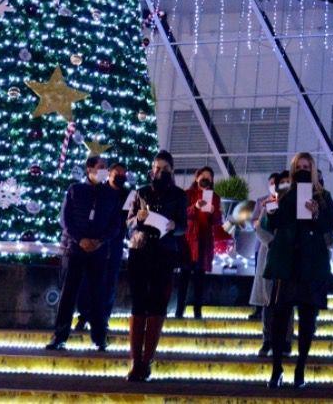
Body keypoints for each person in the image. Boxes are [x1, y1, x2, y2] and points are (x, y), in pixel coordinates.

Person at [263, 152, 333, 388]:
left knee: (308, 318)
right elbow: (273, 224)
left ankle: (300, 368)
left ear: (313, 170)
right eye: (299, 166)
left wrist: (316, 213)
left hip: (312, 261)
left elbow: (329, 225)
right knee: (279, 316)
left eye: (307, 166)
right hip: (287, 260)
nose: (303, 169)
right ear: (293, 169)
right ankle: (276, 368)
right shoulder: (284, 193)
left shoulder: (323, 196)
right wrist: (272, 209)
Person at [123, 150, 188, 382]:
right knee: (138, 302)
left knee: (158, 303)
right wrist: (138, 219)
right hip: (140, 250)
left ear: (171, 171)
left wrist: (172, 226)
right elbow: (128, 223)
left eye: (164, 169)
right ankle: (134, 360)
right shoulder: (139, 192)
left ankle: (147, 359)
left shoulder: (179, 196)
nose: (159, 172)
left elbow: (183, 226)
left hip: (164, 253)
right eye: (156, 168)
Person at [47, 155, 121, 351]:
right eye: (101, 167)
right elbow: (65, 219)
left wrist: (100, 240)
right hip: (75, 250)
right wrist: (80, 240)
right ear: (89, 169)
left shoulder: (111, 195)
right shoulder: (75, 190)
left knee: (99, 294)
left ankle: (99, 337)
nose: (104, 170)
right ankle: (60, 335)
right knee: (69, 293)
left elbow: (115, 225)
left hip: (99, 251)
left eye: (105, 167)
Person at [74, 161, 129, 335]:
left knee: (110, 280)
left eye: (123, 174)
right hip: (96, 240)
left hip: (115, 241)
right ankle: (84, 316)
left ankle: (102, 318)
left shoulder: (128, 195)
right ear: (110, 174)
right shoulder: (100, 191)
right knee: (88, 279)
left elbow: (128, 219)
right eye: (116, 173)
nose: (120, 176)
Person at [177, 166, 223, 320]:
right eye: (203, 176)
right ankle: (179, 310)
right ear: (196, 178)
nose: (206, 179)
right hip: (188, 240)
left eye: (209, 177)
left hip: (204, 241)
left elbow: (218, 221)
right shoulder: (187, 194)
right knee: (183, 276)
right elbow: (182, 214)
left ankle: (198, 311)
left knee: (199, 278)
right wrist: (194, 207)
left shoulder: (214, 197)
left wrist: (213, 212)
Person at [250, 172, 285, 355]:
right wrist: (272, 242)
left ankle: (284, 341)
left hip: (286, 255)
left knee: (285, 301)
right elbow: (260, 227)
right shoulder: (268, 202)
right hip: (269, 253)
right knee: (267, 300)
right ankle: (267, 339)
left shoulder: (291, 203)